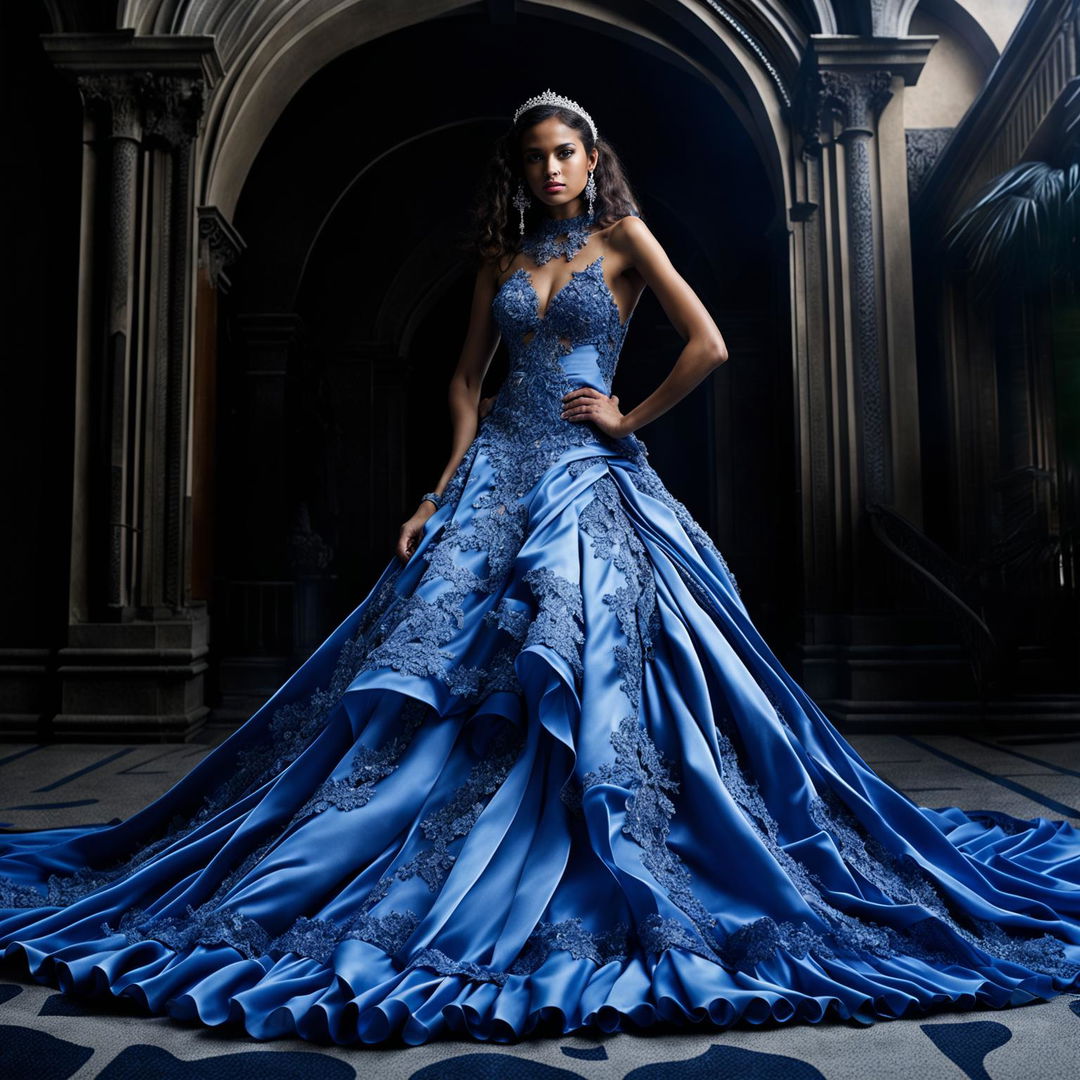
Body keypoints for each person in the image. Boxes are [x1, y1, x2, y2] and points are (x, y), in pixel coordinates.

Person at [1, 89, 1079, 1049]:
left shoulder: (624, 238)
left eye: (564, 152)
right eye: (534, 157)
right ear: (518, 169)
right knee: (427, 663)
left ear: (591, 155)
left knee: (586, 641)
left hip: (583, 474)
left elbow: (708, 344)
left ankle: (597, 841)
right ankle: (422, 843)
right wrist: (437, 491)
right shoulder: (500, 262)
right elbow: (468, 378)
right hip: (493, 477)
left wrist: (626, 419)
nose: (551, 169)